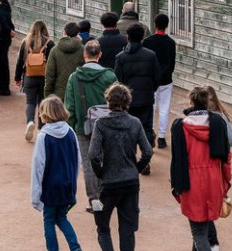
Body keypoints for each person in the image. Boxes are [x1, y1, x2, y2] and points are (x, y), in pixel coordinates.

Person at [88, 82, 152, 251]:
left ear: (108, 102)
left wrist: (101, 173)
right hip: (130, 183)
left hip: (109, 184)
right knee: (127, 233)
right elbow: (148, 151)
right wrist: (136, 169)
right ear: (127, 102)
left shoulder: (101, 123)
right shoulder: (134, 123)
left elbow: (93, 154)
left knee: (102, 227)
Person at [170, 86, 231, 251]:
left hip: (191, 182)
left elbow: (177, 160)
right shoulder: (218, 124)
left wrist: (175, 187)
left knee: (197, 230)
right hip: (214, 179)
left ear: (191, 103)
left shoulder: (180, 127)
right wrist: (226, 183)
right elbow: (226, 157)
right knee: (202, 228)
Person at [30, 96, 86, 251]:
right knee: (62, 218)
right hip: (67, 184)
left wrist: (35, 195)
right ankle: (76, 250)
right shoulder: (70, 132)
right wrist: (73, 182)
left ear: (45, 115)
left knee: (48, 221)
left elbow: (38, 167)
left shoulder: (44, 136)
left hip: (50, 187)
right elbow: (78, 160)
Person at [65, 41, 118, 213]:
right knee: (106, 159)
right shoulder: (110, 76)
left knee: (88, 163)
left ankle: (93, 198)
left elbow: (70, 106)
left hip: (84, 126)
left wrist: (71, 126)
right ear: (100, 55)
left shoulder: (75, 77)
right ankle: (105, 194)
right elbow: (118, 101)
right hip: (108, 125)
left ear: (84, 55)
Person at [202, 86, 232, 251]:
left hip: (204, 166)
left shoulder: (198, 119)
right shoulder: (222, 118)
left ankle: (211, 242)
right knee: (209, 202)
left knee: (203, 205)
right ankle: (210, 242)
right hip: (220, 166)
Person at [114, 23, 160, 154]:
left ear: (127, 37)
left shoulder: (121, 57)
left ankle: (131, 156)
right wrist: (151, 89)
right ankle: (146, 156)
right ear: (142, 38)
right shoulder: (151, 55)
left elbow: (118, 79)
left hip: (127, 100)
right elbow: (157, 77)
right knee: (146, 127)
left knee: (128, 128)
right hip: (146, 98)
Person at [15, 20, 55, 142]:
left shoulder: (26, 42)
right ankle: (41, 128)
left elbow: (20, 62)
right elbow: (53, 62)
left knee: (30, 102)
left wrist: (17, 78)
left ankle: (30, 122)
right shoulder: (50, 43)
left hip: (29, 76)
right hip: (45, 78)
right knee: (42, 102)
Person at [142, 13, 176, 149]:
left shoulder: (148, 41)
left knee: (151, 107)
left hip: (150, 80)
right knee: (164, 108)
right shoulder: (171, 42)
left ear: (155, 25)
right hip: (166, 79)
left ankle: (150, 134)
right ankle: (162, 137)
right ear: (167, 25)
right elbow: (172, 63)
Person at [44, 22, 84, 102]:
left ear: (64, 32)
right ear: (77, 34)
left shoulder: (54, 50)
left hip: (58, 94)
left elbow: (50, 75)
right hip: (77, 93)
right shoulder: (83, 50)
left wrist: (47, 94)